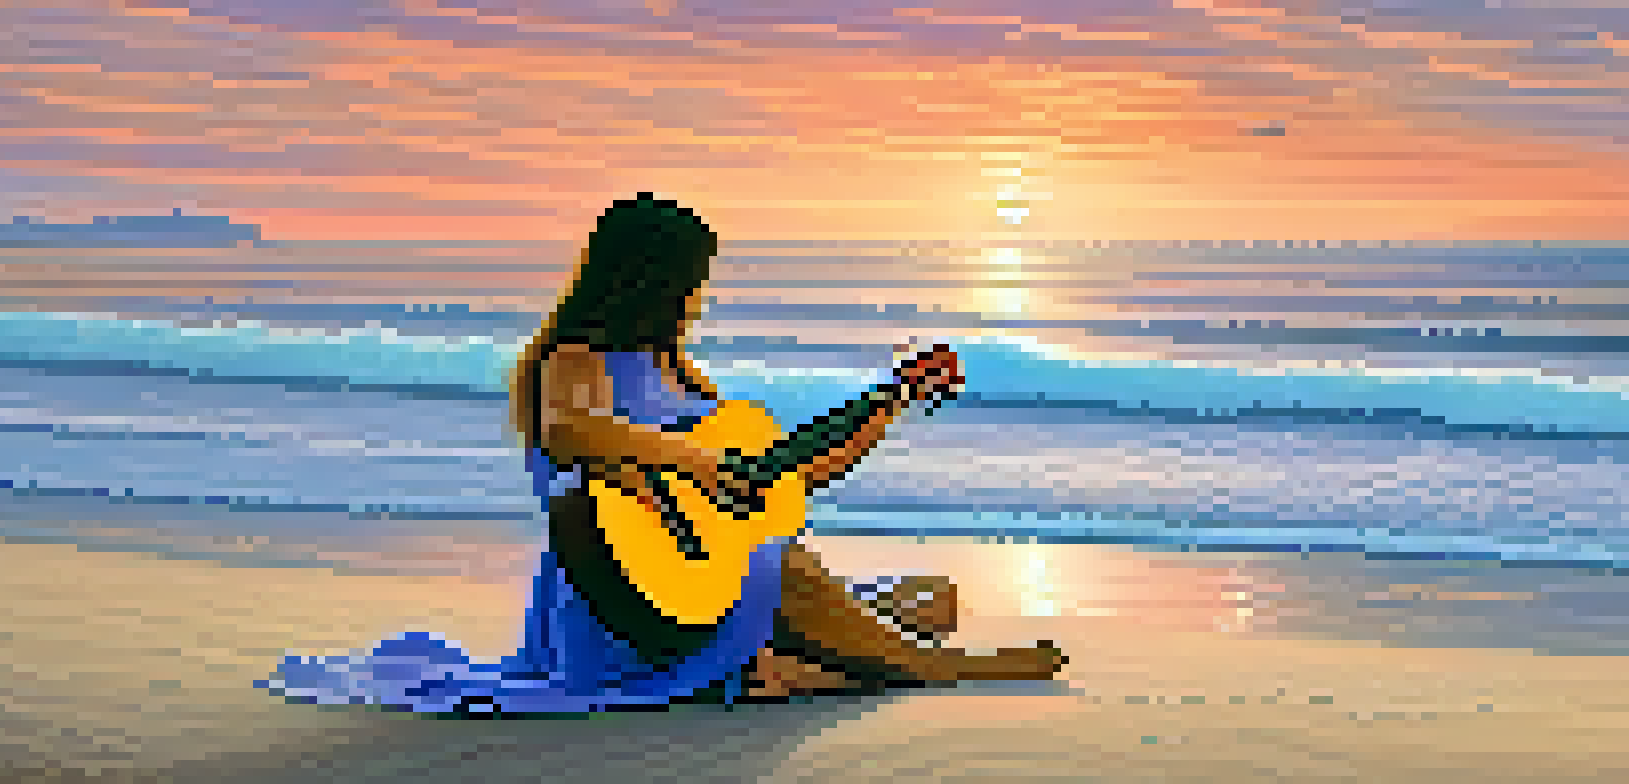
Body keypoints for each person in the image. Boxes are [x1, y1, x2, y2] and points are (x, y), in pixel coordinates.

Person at [260, 194, 1065, 714]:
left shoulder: (682, 373)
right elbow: (569, 433)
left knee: (929, 595)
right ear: (648, 281)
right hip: (624, 599)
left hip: (702, 579)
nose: (698, 298)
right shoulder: (574, 360)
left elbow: (787, 478)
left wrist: (883, 409)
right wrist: (695, 464)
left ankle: (786, 671)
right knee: (790, 570)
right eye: (691, 281)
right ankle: (940, 671)